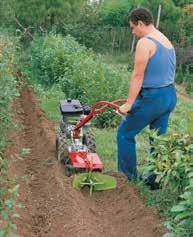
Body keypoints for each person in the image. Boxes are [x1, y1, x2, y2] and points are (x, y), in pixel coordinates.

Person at [117, 7, 177, 183]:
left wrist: (129, 103)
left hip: (153, 98)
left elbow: (138, 75)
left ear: (140, 23)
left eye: (133, 28)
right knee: (157, 139)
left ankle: (127, 180)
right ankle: (154, 180)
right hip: (169, 96)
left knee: (124, 134)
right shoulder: (165, 39)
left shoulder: (145, 42)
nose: (133, 32)